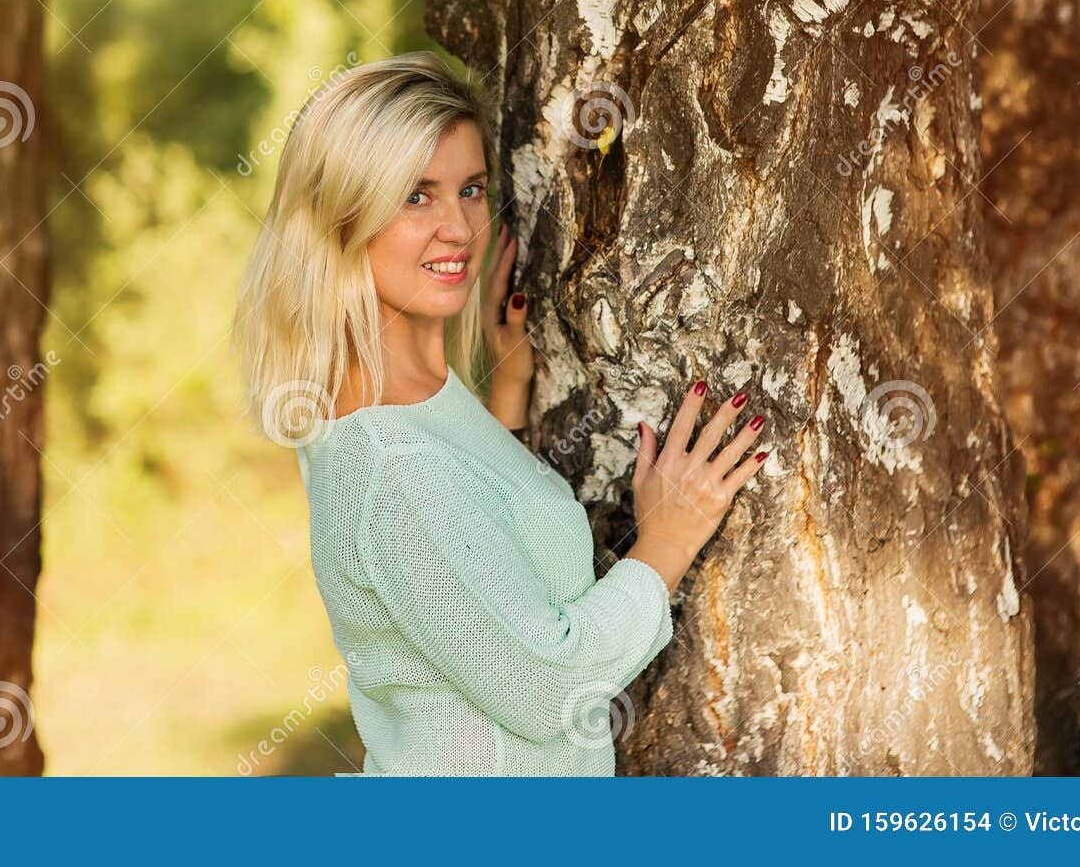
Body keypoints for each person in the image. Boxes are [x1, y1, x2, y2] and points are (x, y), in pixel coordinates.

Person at [232, 50, 768, 774]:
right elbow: (547, 688)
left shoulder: (416, 403)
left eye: (472, 189)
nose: (458, 227)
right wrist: (667, 542)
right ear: (340, 216)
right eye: (414, 196)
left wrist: (504, 402)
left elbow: (479, 564)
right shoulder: (390, 461)